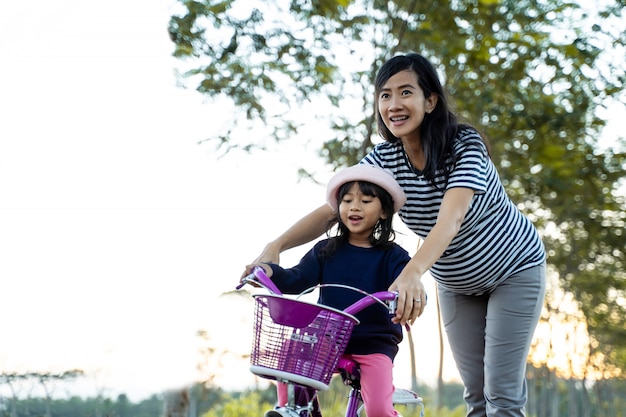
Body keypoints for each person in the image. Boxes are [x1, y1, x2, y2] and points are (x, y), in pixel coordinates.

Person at [247, 53, 546, 417]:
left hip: (514, 269)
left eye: (406, 92)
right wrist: (275, 246)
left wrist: (411, 274)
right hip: (457, 282)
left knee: (501, 393)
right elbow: (332, 211)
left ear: (430, 101)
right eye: (385, 95)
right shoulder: (384, 159)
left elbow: (448, 223)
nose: (394, 104)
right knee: (477, 394)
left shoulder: (464, 146)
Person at [245, 164, 412, 417]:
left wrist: (404, 299)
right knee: (293, 352)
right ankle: (296, 409)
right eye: (347, 200)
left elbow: (406, 286)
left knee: (378, 410)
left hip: (374, 344)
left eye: (366, 200)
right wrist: (270, 272)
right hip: (329, 338)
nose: (354, 206)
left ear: (383, 212)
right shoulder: (326, 250)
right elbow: (297, 279)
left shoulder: (394, 257)